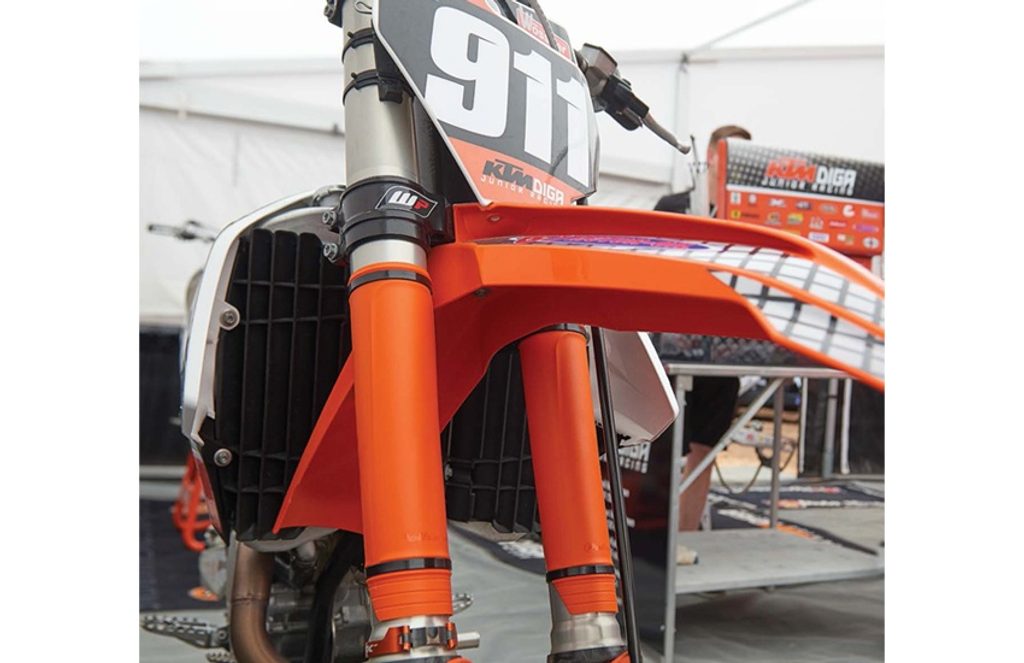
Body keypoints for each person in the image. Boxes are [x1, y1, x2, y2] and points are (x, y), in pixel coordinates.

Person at [653, 125, 751, 541]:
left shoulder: (747, 219)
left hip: (725, 348)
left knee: (705, 448)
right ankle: (648, 537)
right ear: (710, 156)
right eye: (730, 156)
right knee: (659, 444)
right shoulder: (672, 207)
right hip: (671, 345)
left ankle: (685, 538)